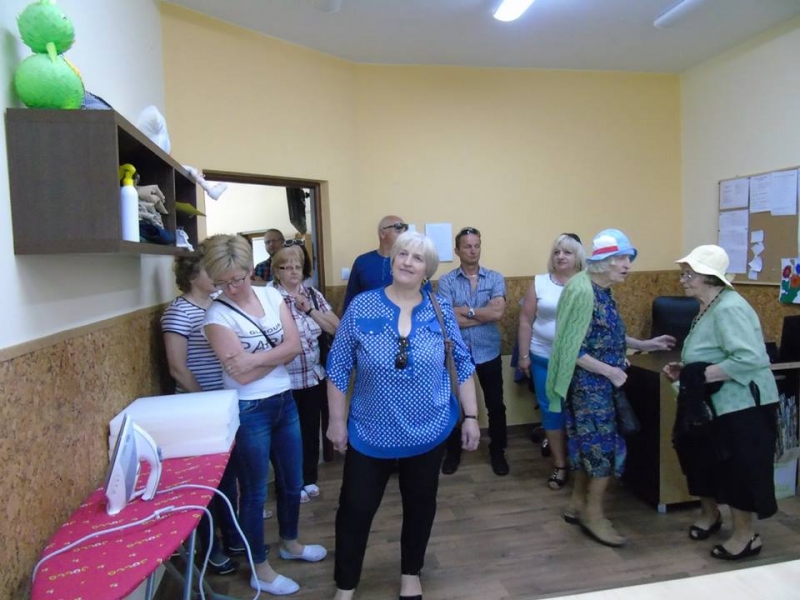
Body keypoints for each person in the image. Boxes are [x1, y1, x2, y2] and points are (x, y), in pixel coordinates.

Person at [326, 231, 480, 600]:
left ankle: (411, 573)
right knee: (355, 509)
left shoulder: (440, 308)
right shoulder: (362, 306)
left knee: (420, 505)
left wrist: (472, 416)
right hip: (370, 431)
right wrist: (336, 421)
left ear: (428, 269)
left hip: (429, 430)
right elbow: (338, 366)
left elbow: (461, 362)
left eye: (417, 258)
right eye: (402, 254)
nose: (408, 262)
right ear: (392, 259)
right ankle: (345, 584)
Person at [202, 234, 326, 596]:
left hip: (284, 400)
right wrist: (274, 357)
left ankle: (291, 542)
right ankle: (260, 568)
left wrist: (253, 359)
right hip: (248, 409)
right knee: (255, 492)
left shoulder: (272, 297)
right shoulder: (216, 315)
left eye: (238, 278)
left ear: (250, 269)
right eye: (223, 282)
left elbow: (294, 346)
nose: (232, 287)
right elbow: (240, 376)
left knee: (292, 481)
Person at [546, 229, 675, 547]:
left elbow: (606, 335)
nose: (627, 265)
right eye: (621, 258)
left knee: (587, 447)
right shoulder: (582, 291)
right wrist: (611, 372)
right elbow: (570, 349)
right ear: (603, 261)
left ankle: (577, 505)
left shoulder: (602, 290)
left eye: (628, 259)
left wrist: (645, 344)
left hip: (598, 385)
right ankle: (594, 515)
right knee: (603, 449)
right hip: (590, 387)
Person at [663, 245, 779, 560]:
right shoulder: (708, 306)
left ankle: (745, 536)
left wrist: (698, 376)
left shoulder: (729, 307)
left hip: (743, 404)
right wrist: (687, 371)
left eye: (689, 274)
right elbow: (712, 352)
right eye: (684, 273)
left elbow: (750, 358)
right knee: (704, 460)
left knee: (739, 469)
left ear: (710, 278)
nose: (683, 280)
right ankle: (711, 515)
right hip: (715, 404)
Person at [160, 252, 241, 575]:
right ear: (193, 276)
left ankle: (233, 537)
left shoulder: (218, 305)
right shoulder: (178, 312)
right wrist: (206, 402)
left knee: (229, 478)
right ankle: (210, 551)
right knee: (205, 486)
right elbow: (177, 368)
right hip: (199, 409)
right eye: (212, 271)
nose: (219, 275)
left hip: (224, 403)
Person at [270, 243, 340, 504]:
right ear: (277, 271)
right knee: (287, 436)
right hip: (283, 380)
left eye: (297, 266)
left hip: (313, 376)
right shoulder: (269, 298)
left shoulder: (312, 294)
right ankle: (289, 484)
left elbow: (336, 327)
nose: (293, 271)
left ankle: (309, 478)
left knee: (310, 431)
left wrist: (309, 309)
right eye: (286, 267)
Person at [438, 226, 509, 476]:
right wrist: (482, 314)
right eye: (467, 246)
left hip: (488, 351)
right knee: (454, 404)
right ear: (457, 250)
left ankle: (498, 451)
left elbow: (498, 313)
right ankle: (453, 453)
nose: (473, 250)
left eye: (477, 245)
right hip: (457, 354)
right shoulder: (446, 281)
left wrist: (465, 311)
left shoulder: (495, 278)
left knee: (496, 405)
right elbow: (446, 319)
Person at [517, 233, 586, 490]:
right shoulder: (539, 283)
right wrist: (524, 356)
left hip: (578, 362)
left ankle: (582, 466)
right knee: (551, 411)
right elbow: (526, 320)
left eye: (567, 252)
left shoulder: (587, 284)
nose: (560, 256)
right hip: (542, 358)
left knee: (579, 410)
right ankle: (560, 465)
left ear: (578, 256)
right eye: (556, 252)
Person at [342, 215, 408, 314]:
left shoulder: (410, 263)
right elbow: (350, 300)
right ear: (382, 233)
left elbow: (426, 297)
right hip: (367, 319)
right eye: (398, 231)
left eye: (405, 232)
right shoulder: (362, 262)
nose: (403, 236)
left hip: (403, 319)